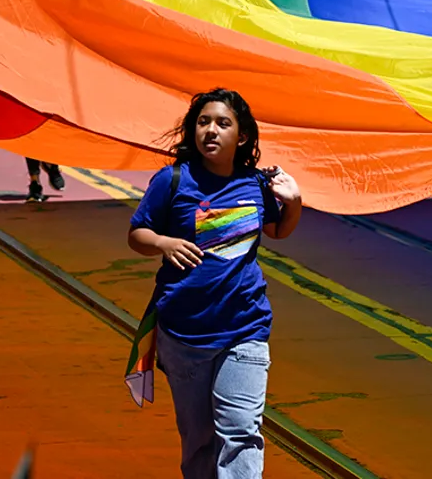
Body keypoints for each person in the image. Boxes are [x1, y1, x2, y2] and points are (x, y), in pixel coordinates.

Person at [124, 88, 303, 479]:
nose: (211, 130)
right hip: (183, 335)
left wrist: (294, 203)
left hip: (244, 328)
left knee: (240, 433)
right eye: (203, 122)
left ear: (241, 137)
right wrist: (163, 243)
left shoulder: (256, 184)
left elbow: (276, 230)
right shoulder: (172, 180)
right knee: (199, 441)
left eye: (223, 123)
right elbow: (138, 233)